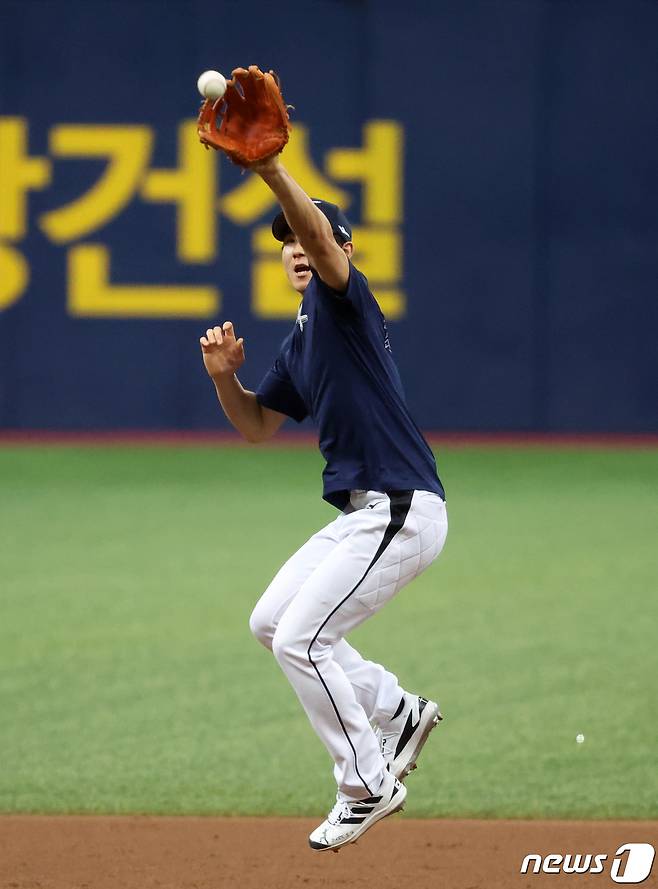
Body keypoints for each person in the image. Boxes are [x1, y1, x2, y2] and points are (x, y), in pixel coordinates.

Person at [199, 156, 448, 852]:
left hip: (402, 506)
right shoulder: (302, 339)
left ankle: (365, 781)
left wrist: (273, 171)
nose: (298, 250)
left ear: (341, 249)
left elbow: (316, 232)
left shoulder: (345, 301)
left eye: (310, 239)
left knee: (302, 639)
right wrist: (226, 379)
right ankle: (396, 711)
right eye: (286, 244)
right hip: (365, 514)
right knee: (270, 620)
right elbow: (256, 424)